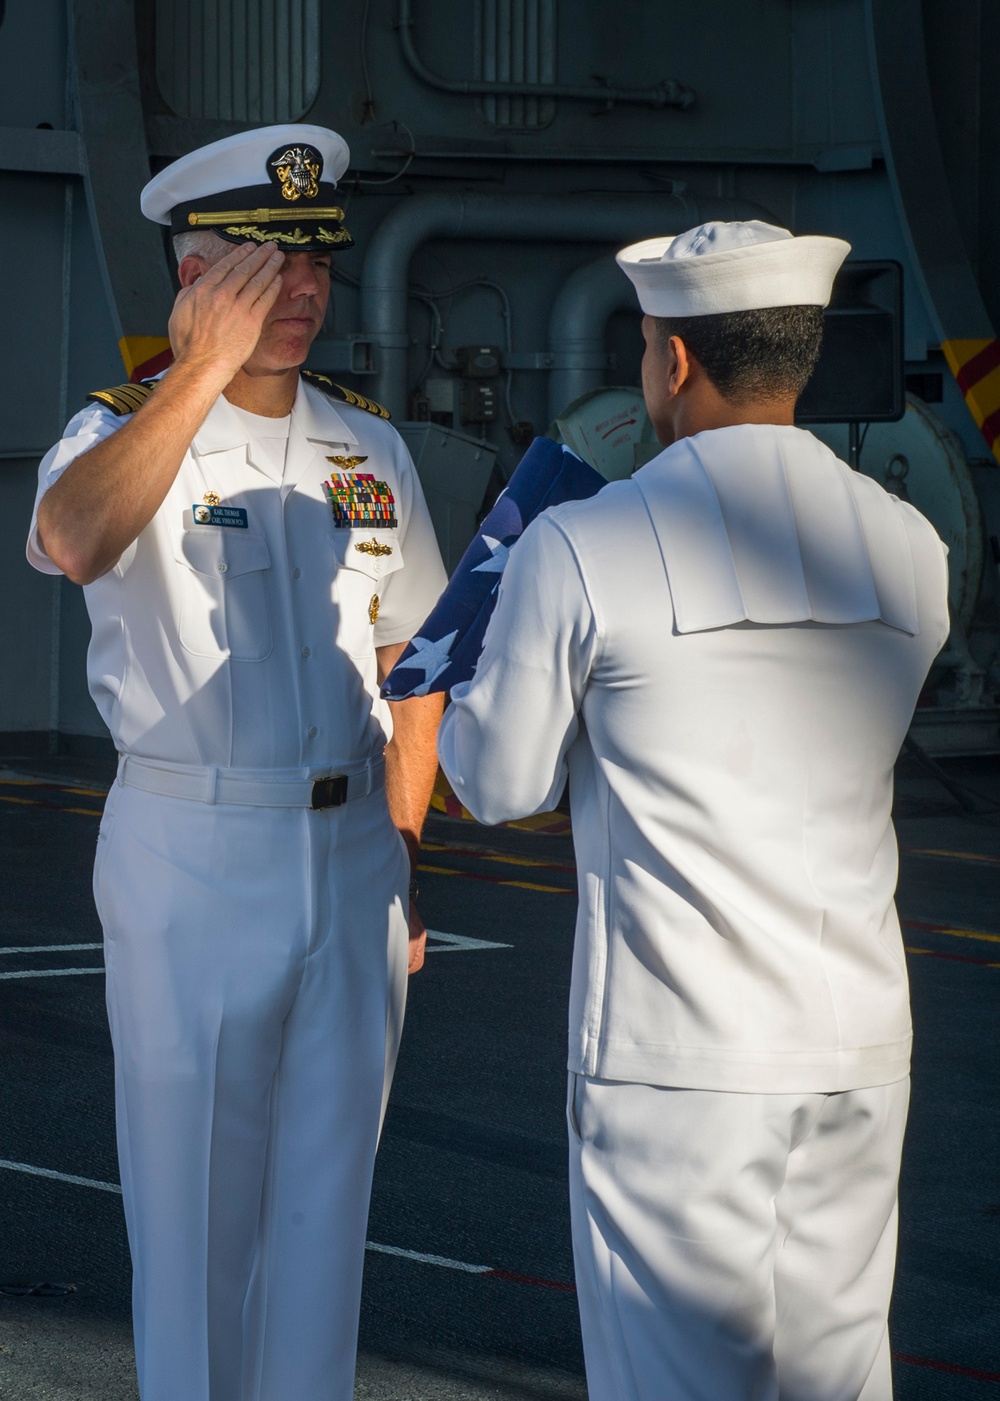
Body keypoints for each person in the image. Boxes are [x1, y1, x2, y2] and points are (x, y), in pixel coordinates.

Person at [437, 220, 950, 1401]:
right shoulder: (909, 547)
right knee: (836, 1376)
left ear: (669, 362)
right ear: (801, 360)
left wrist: (474, 647)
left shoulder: (579, 544)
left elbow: (496, 782)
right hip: (856, 1047)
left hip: (680, 1060)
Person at [26, 124, 447, 1401]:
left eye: (315, 262)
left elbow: (412, 658)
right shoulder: (116, 430)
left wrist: (407, 856)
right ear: (193, 277)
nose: (301, 289)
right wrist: (193, 379)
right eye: (265, 266)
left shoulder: (367, 444)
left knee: (327, 1211)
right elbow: (75, 538)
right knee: (197, 1205)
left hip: (354, 853)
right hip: (191, 846)